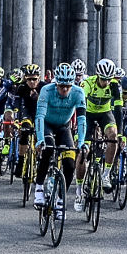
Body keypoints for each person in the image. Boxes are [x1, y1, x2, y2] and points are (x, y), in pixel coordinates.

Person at [32, 64, 89, 211]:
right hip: (47, 124)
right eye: (61, 86)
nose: (64, 89)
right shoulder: (46, 90)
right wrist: (40, 140)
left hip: (64, 126)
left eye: (68, 86)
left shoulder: (78, 92)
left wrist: (81, 142)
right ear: (56, 83)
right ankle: (38, 189)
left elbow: (82, 119)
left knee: (70, 164)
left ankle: (60, 200)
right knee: (48, 150)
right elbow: (39, 116)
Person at [81, 57, 126, 188]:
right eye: (103, 79)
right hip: (88, 113)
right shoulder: (88, 83)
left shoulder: (115, 86)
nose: (105, 82)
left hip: (105, 113)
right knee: (84, 147)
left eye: (108, 79)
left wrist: (120, 134)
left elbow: (118, 110)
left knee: (113, 136)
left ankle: (106, 174)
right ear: (97, 75)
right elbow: (81, 106)